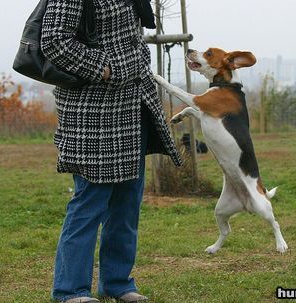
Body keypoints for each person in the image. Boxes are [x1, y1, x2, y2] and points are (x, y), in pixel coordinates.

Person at [40, 0, 182, 302]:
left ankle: (118, 283)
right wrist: (106, 69)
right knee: (90, 202)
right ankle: (70, 290)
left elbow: (129, 36)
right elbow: (54, 40)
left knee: (126, 203)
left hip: (134, 105)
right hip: (93, 112)